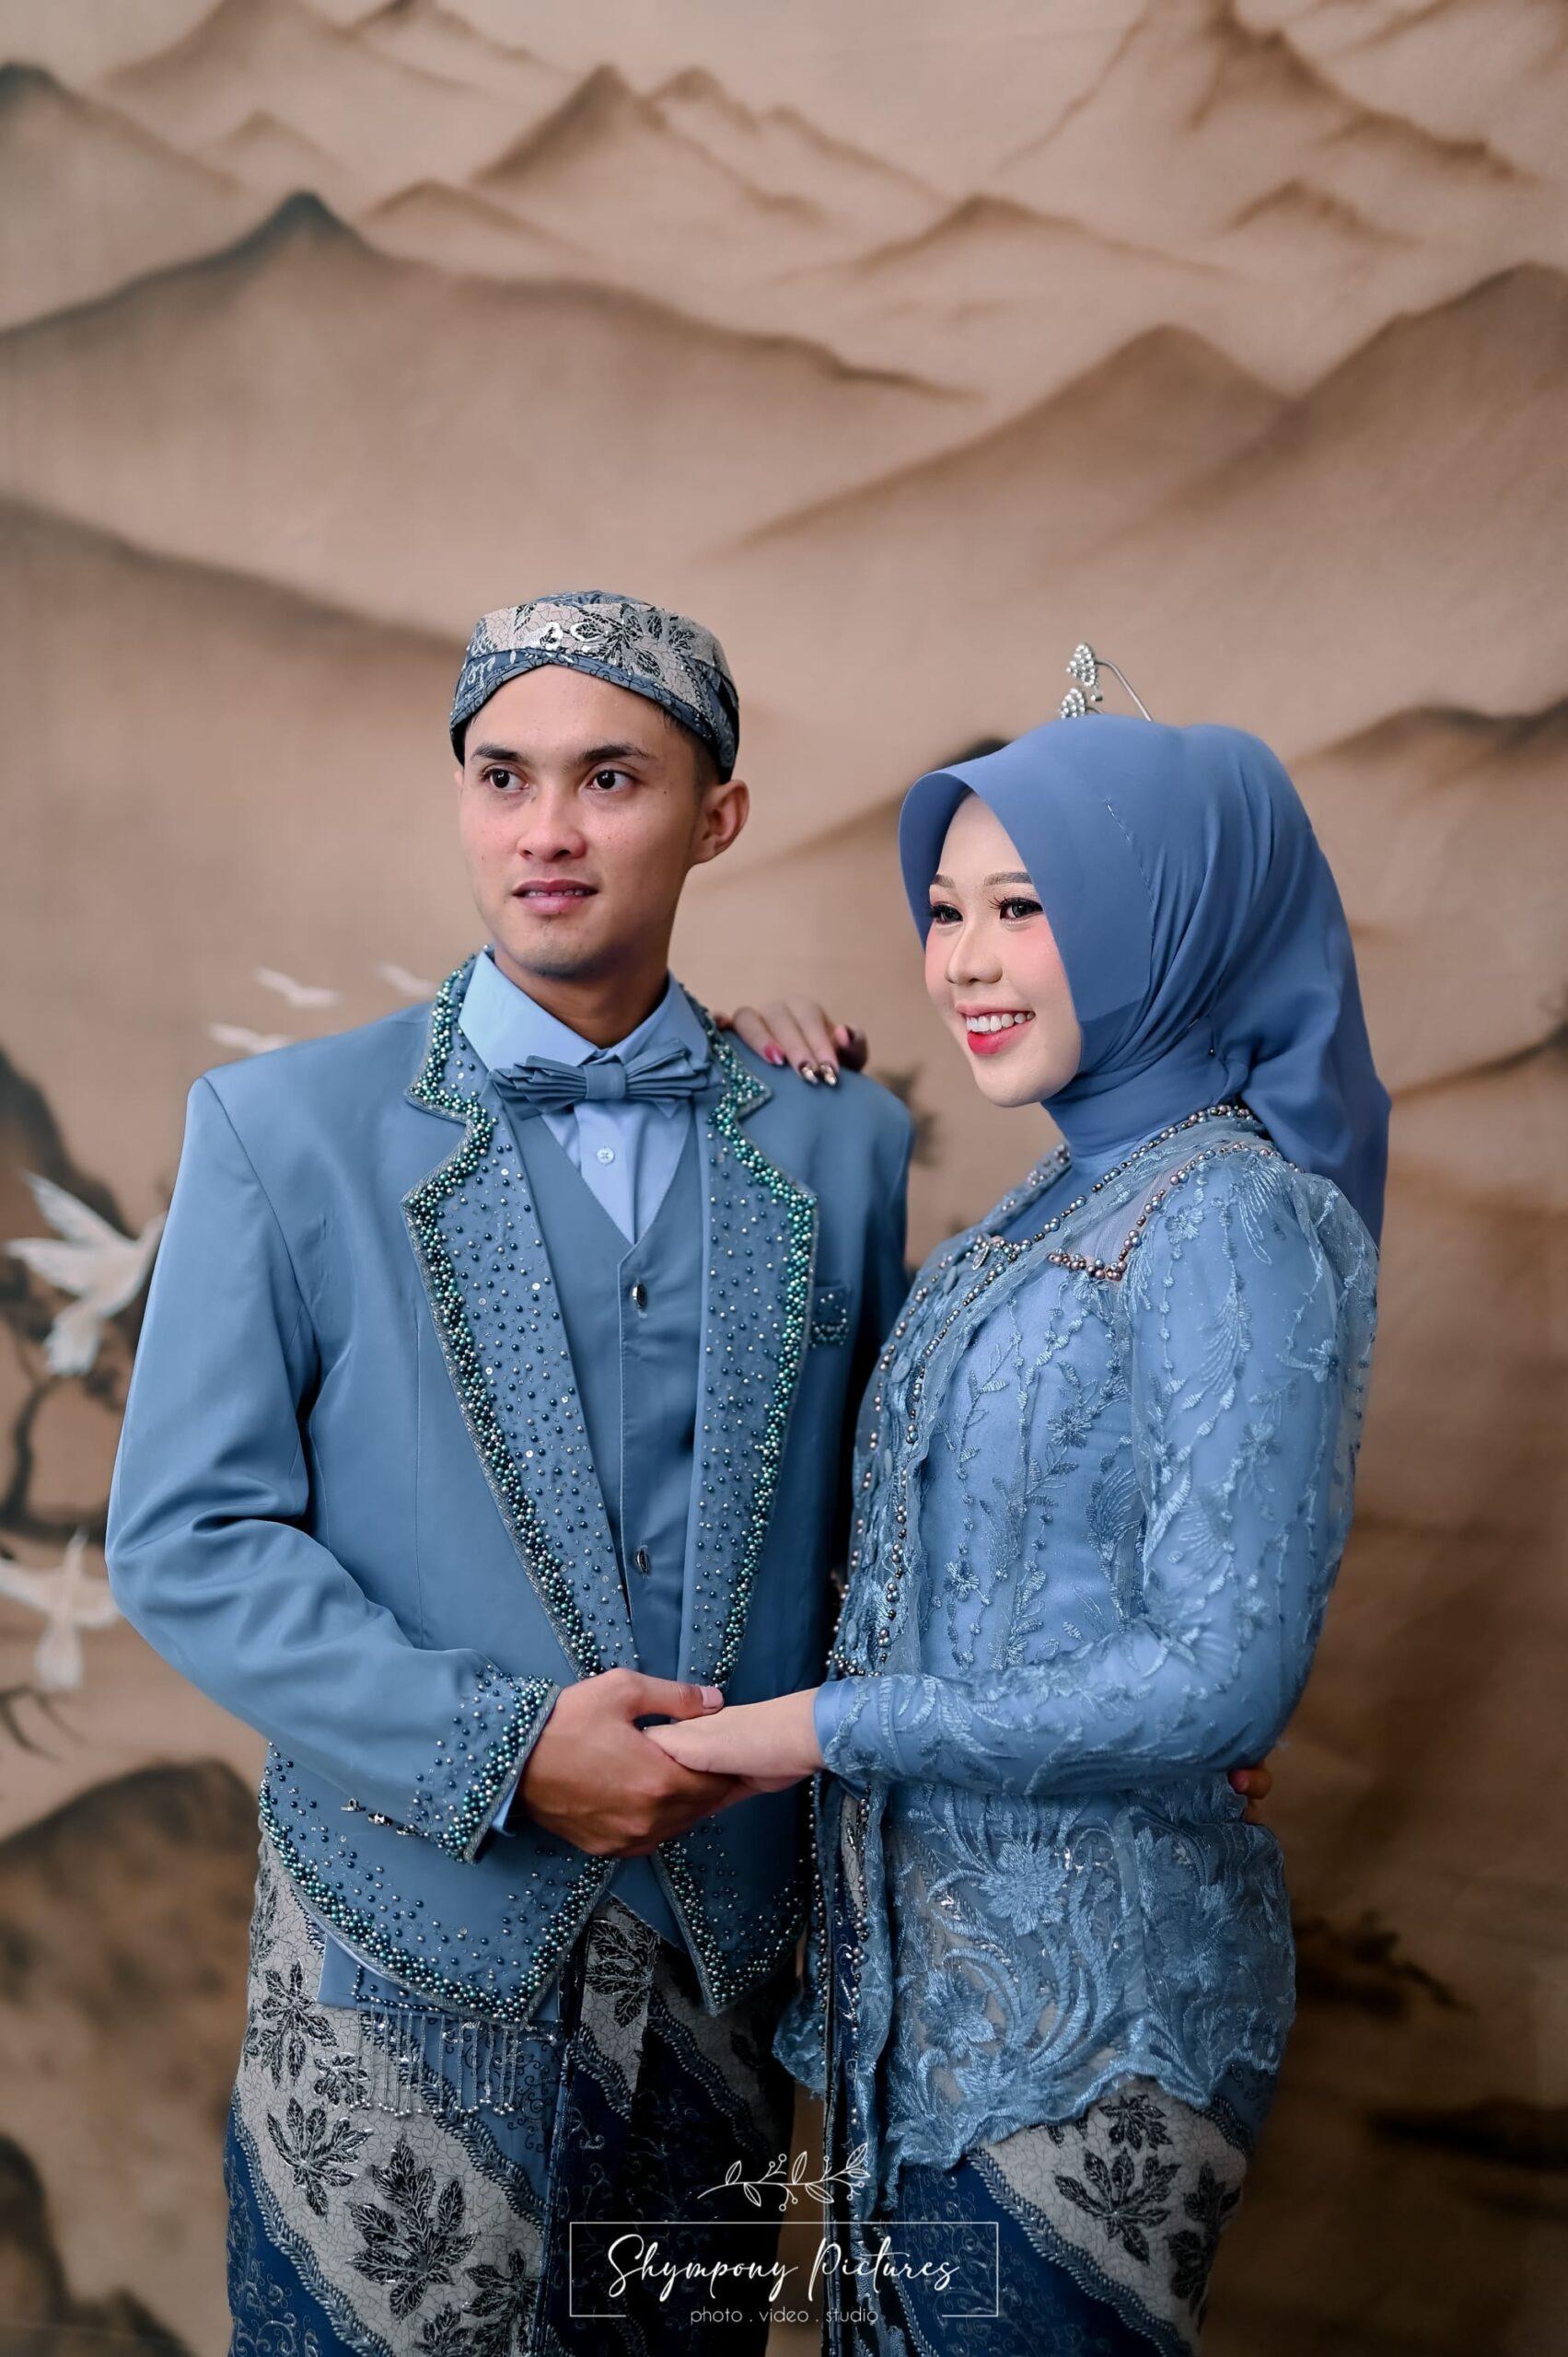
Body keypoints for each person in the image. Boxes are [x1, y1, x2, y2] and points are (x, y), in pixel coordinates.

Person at [103, 589, 923, 2356]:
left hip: (721, 1977)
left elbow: (885, 1537)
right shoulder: (281, 1131)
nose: (546, 828)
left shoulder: (842, 1141)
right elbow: (187, 1539)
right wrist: (502, 1750)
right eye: (503, 777)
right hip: (395, 1963)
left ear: (717, 818)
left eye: (609, 778)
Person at [649, 699, 1386, 2354]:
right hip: (918, 2014)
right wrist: (740, 1076)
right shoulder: (1055, 1201)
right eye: (945, 911)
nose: (965, 962)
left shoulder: (1232, 1218)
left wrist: (819, 1730)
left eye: (1025, 908)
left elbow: (1224, 1683)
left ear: (1161, 921)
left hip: (1090, 2030)